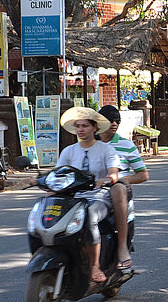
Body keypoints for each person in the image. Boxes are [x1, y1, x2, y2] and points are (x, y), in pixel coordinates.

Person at [57, 107, 120, 284]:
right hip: (73, 197)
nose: (80, 130)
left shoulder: (106, 150)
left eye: (85, 125)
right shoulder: (69, 151)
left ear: (95, 128)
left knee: (89, 216)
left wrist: (106, 179)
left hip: (99, 196)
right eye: (77, 126)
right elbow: (58, 174)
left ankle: (95, 266)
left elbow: (114, 173)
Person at [98, 105, 149, 271]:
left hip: (116, 195)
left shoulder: (126, 145)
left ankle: (122, 249)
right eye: (110, 120)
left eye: (117, 120)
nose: (114, 123)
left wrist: (123, 179)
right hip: (93, 193)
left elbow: (143, 175)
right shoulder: (89, 144)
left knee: (118, 190)